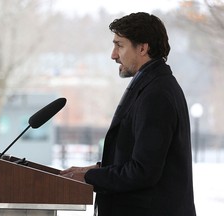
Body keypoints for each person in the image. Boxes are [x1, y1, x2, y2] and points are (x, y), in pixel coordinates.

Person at [60, 12, 197, 216]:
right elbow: (139, 157)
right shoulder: (152, 85)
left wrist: (90, 178)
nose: (113, 55)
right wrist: (93, 170)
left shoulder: (156, 94)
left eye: (120, 45)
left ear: (143, 48)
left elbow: (143, 171)